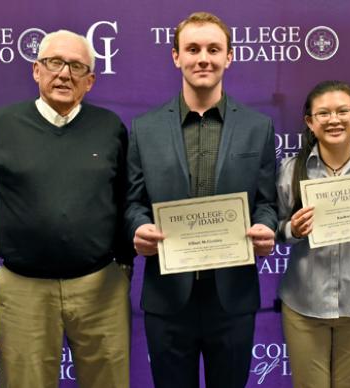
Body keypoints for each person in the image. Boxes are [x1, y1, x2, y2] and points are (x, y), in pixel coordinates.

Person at [0, 30, 132, 388]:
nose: (64, 74)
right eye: (54, 62)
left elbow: (126, 200)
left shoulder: (110, 128)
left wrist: (126, 264)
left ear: (90, 81)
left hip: (100, 288)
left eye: (76, 66)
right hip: (24, 289)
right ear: (36, 70)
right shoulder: (3, 124)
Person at [126, 11, 277, 388]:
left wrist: (267, 227)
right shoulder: (145, 129)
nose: (203, 58)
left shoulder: (258, 127)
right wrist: (138, 227)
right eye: (192, 49)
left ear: (230, 56)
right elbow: (132, 202)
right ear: (176, 56)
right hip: (168, 296)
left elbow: (267, 202)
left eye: (214, 49)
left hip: (232, 296)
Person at [276, 80, 350, 388]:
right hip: (304, 305)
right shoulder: (291, 169)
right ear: (310, 122)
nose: (334, 120)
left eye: (343, 111)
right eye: (323, 113)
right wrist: (292, 229)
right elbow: (272, 228)